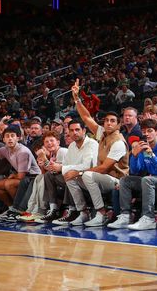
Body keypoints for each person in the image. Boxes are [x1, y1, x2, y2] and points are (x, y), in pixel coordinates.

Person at [60, 79, 129, 227]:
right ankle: (83, 213)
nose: (108, 123)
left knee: (84, 174)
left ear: (118, 125)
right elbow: (86, 117)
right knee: (68, 176)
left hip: (117, 181)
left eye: (112, 121)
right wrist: (76, 98)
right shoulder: (103, 133)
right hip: (102, 178)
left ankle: (101, 214)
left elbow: (104, 168)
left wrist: (78, 173)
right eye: (106, 121)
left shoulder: (118, 142)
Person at [110, 119, 157, 230]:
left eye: (150, 131)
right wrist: (134, 156)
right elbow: (135, 170)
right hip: (154, 179)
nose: (146, 134)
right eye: (144, 131)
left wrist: (152, 156)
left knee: (147, 180)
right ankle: (125, 217)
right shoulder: (143, 146)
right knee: (125, 180)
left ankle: (148, 218)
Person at [39, 118, 98, 224]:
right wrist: (55, 165)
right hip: (76, 175)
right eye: (71, 130)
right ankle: (54, 209)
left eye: (77, 129)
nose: (74, 133)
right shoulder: (71, 146)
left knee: (69, 175)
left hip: (90, 176)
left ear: (84, 131)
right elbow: (65, 165)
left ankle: (74, 211)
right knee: (50, 175)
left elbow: (87, 165)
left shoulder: (92, 144)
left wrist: (61, 167)